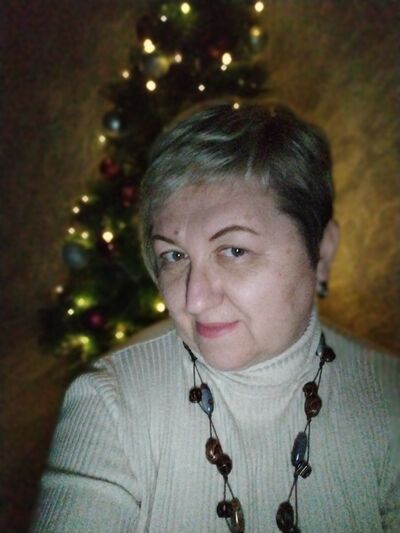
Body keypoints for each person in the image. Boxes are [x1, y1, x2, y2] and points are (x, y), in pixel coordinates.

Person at [31, 103, 399, 532]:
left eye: (235, 250)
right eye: (174, 256)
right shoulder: (111, 402)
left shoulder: (388, 404)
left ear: (321, 251)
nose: (195, 299)